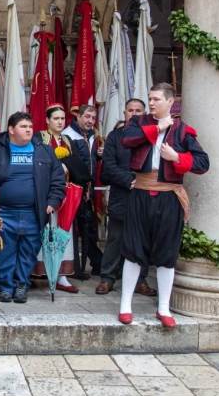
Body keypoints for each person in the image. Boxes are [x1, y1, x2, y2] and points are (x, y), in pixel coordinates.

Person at [118, 83, 209, 328]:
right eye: (150, 98)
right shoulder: (139, 123)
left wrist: (177, 157)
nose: (152, 102)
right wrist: (156, 128)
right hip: (140, 192)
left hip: (169, 196)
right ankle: (125, 305)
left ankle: (163, 308)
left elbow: (203, 162)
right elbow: (127, 140)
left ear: (170, 102)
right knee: (133, 248)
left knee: (167, 252)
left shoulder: (182, 130)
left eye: (157, 98)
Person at [0, 112, 65, 303]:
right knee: (4, 252)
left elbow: (58, 180)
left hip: (34, 213)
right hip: (3, 212)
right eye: (23, 126)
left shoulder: (44, 151)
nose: (28, 130)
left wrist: (52, 202)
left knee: (28, 252)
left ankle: (21, 286)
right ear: (11, 130)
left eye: (30, 126)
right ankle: (5, 287)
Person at [97, 99, 155, 296]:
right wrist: (129, 180)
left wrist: (140, 181)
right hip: (122, 193)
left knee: (142, 238)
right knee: (115, 237)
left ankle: (140, 279)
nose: (134, 114)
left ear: (145, 113)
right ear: (125, 113)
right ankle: (107, 278)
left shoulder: (152, 136)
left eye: (138, 110)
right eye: (131, 110)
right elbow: (108, 165)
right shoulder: (115, 136)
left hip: (145, 194)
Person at [32, 105, 84, 294]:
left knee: (64, 233)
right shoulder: (39, 138)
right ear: (47, 121)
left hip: (65, 194)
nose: (60, 122)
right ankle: (38, 272)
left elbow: (79, 165)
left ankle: (62, 275)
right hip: (45, 195)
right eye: (56, 118)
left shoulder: (68, 140)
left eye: (63, 119)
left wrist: (66, 164)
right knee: (45, 231)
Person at [63, 104, 103, 280]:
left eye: (93, 118)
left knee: (89, 227)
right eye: (87, 117)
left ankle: (93, 263)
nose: (90, 121)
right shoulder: (67, 136)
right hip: (74, 188)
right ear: (78, 116)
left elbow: (92, 161)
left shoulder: (93, 136)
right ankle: (75, 268)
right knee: (74, 229)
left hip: (89, 189)